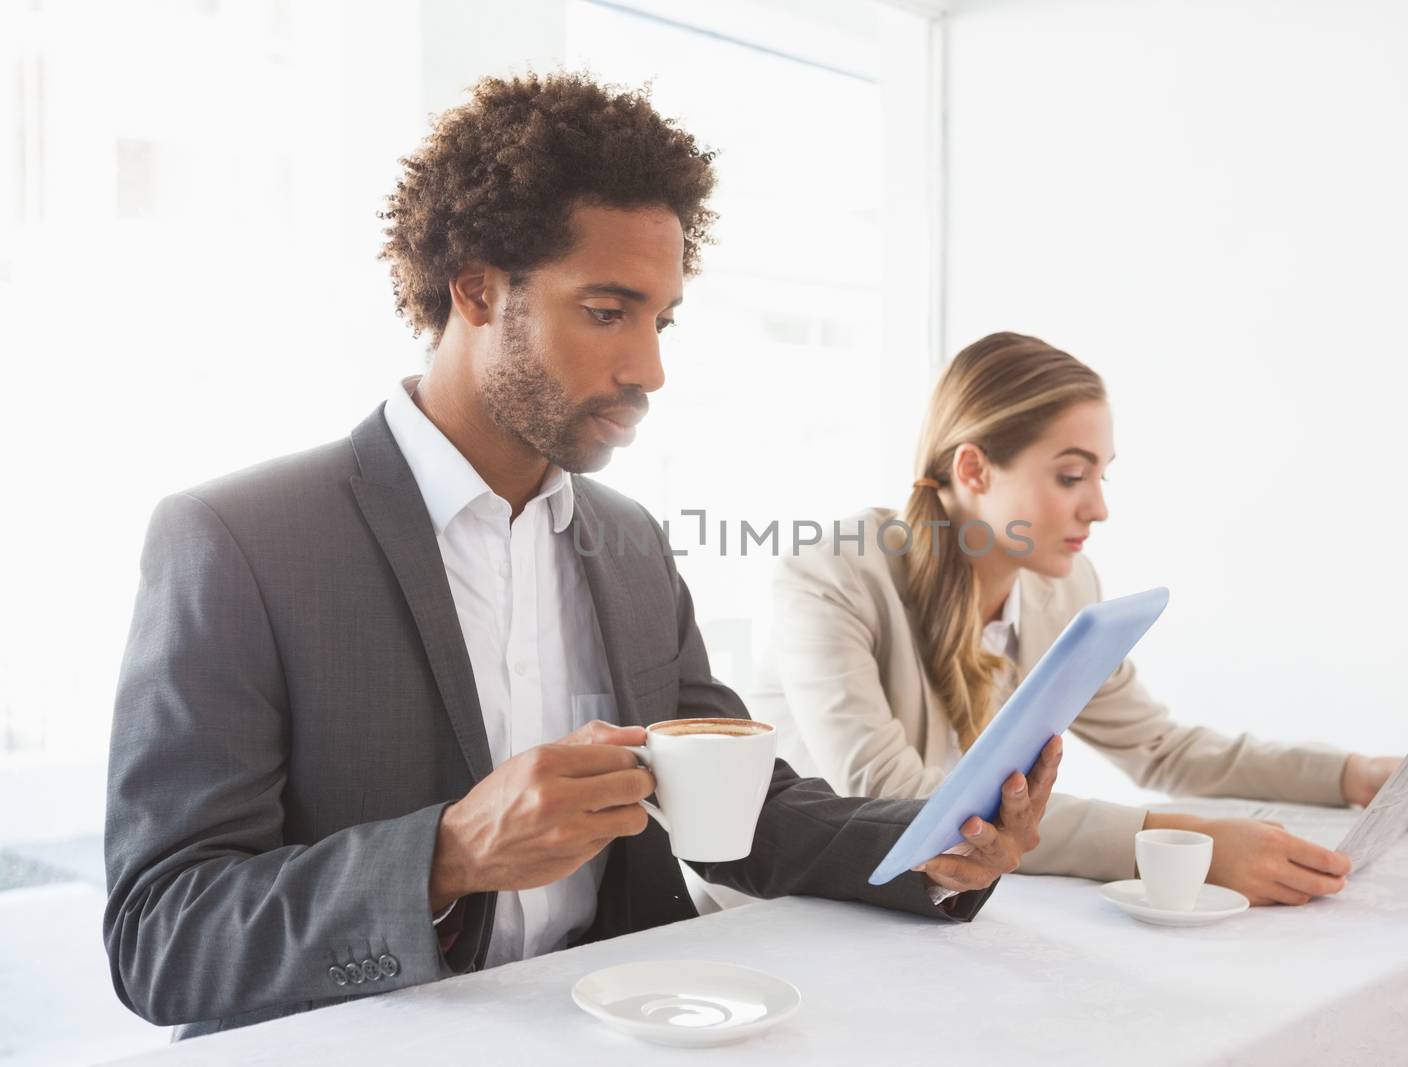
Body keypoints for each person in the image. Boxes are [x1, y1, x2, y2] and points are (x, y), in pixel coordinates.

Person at [102, 74, 1060, 1039]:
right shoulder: (240, 540)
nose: (650, 368)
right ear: (476, 287)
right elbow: (161, 934)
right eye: (608, 311)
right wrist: (445, 854)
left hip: (621, 1027)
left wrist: (935, 845)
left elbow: (737, 807)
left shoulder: (631, 541)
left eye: (663, 319)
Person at [751, 331, 1408, 907]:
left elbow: (1162, 748)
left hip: (938, 912)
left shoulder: (1063, 588)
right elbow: (895, 800)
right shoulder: (831, 576)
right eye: (1069, 475)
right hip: (797, 918)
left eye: (1101, 476)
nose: (1098, 508)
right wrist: (1180, 844)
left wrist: (1352, 775)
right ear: (973, 471)